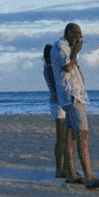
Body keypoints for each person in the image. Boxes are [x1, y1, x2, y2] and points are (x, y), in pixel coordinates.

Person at [50, 22, 99, 189]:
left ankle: (72, 173)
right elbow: (67, 67)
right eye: (77, 34)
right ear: (69, 32)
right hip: (72, 96)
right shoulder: (61, 46)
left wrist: (75, 53)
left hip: (73, 97)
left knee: (70, 136)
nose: (79, 38)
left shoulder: (65, 47)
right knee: (82, 135)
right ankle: (89, 177)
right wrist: (76, 52)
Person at [43, 44, 69, 178]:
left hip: (59, 103)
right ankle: (59, 169)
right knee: (61, 138)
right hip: (57, 104)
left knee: (63, 137)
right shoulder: (49, 68)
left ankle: (63, 167)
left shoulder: (49, 67)